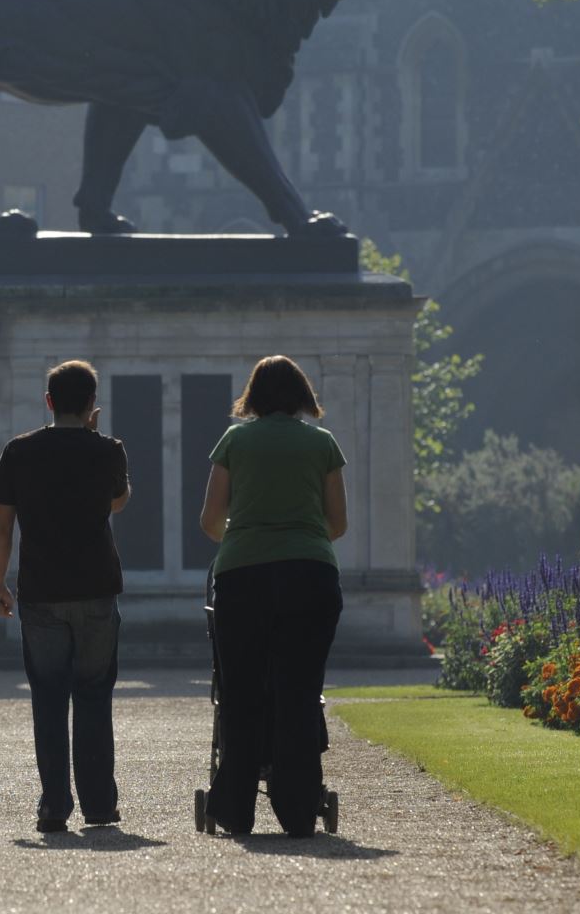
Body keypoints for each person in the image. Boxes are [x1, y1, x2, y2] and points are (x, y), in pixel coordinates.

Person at [198, 354, 347, 837]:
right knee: (300, 691)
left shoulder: (235, 440)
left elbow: (209, 519)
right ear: (302, 395)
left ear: (254, 396)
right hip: (310, 574)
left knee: (240, 692)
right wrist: (296, 537)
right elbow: (337, 523)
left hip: (244, 575)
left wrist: (247, 539)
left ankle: (236, 808)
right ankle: (297, 804)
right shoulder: (322, 444)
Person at [0, 359, 132, 834]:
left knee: (48, 699)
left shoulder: (19, 451)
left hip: (42, 591)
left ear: (48, 401)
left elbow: (1, 523)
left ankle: (53, 805)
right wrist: (95, 438)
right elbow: (117, 501)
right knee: (93, 697)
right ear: (92, 404)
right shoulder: (108, 450)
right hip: (95, 588)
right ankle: (98, 804)